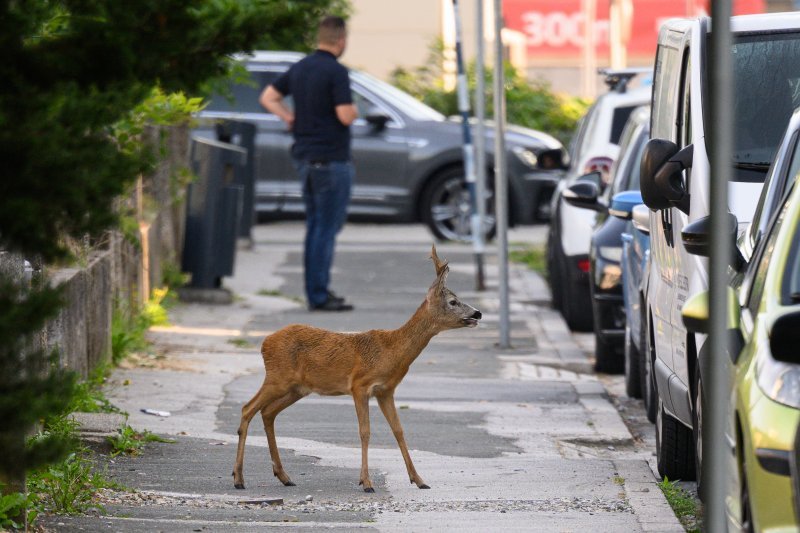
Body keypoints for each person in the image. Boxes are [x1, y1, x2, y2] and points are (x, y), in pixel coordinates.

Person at [260, 15, 358, 312]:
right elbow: (344, 115)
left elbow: (268, 97)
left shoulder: (300, 68)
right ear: (341, 40)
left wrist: (289, 117)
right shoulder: (336, 72)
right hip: (331, 159)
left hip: (305, 157)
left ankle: (316, 290)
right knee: (327, 228)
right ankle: (319, 294)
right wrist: (354, 110)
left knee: (315, 225)